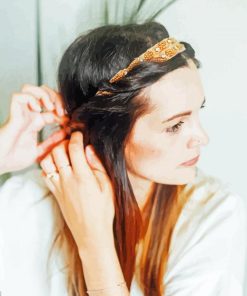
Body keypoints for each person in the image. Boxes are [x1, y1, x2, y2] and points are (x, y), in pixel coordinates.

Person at [0, 21, 246, 296]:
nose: (202, 137)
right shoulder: (25, 204)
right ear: (110, 133)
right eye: (175, 125)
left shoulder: (210, 215)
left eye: (197, 112)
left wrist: (95, 241)